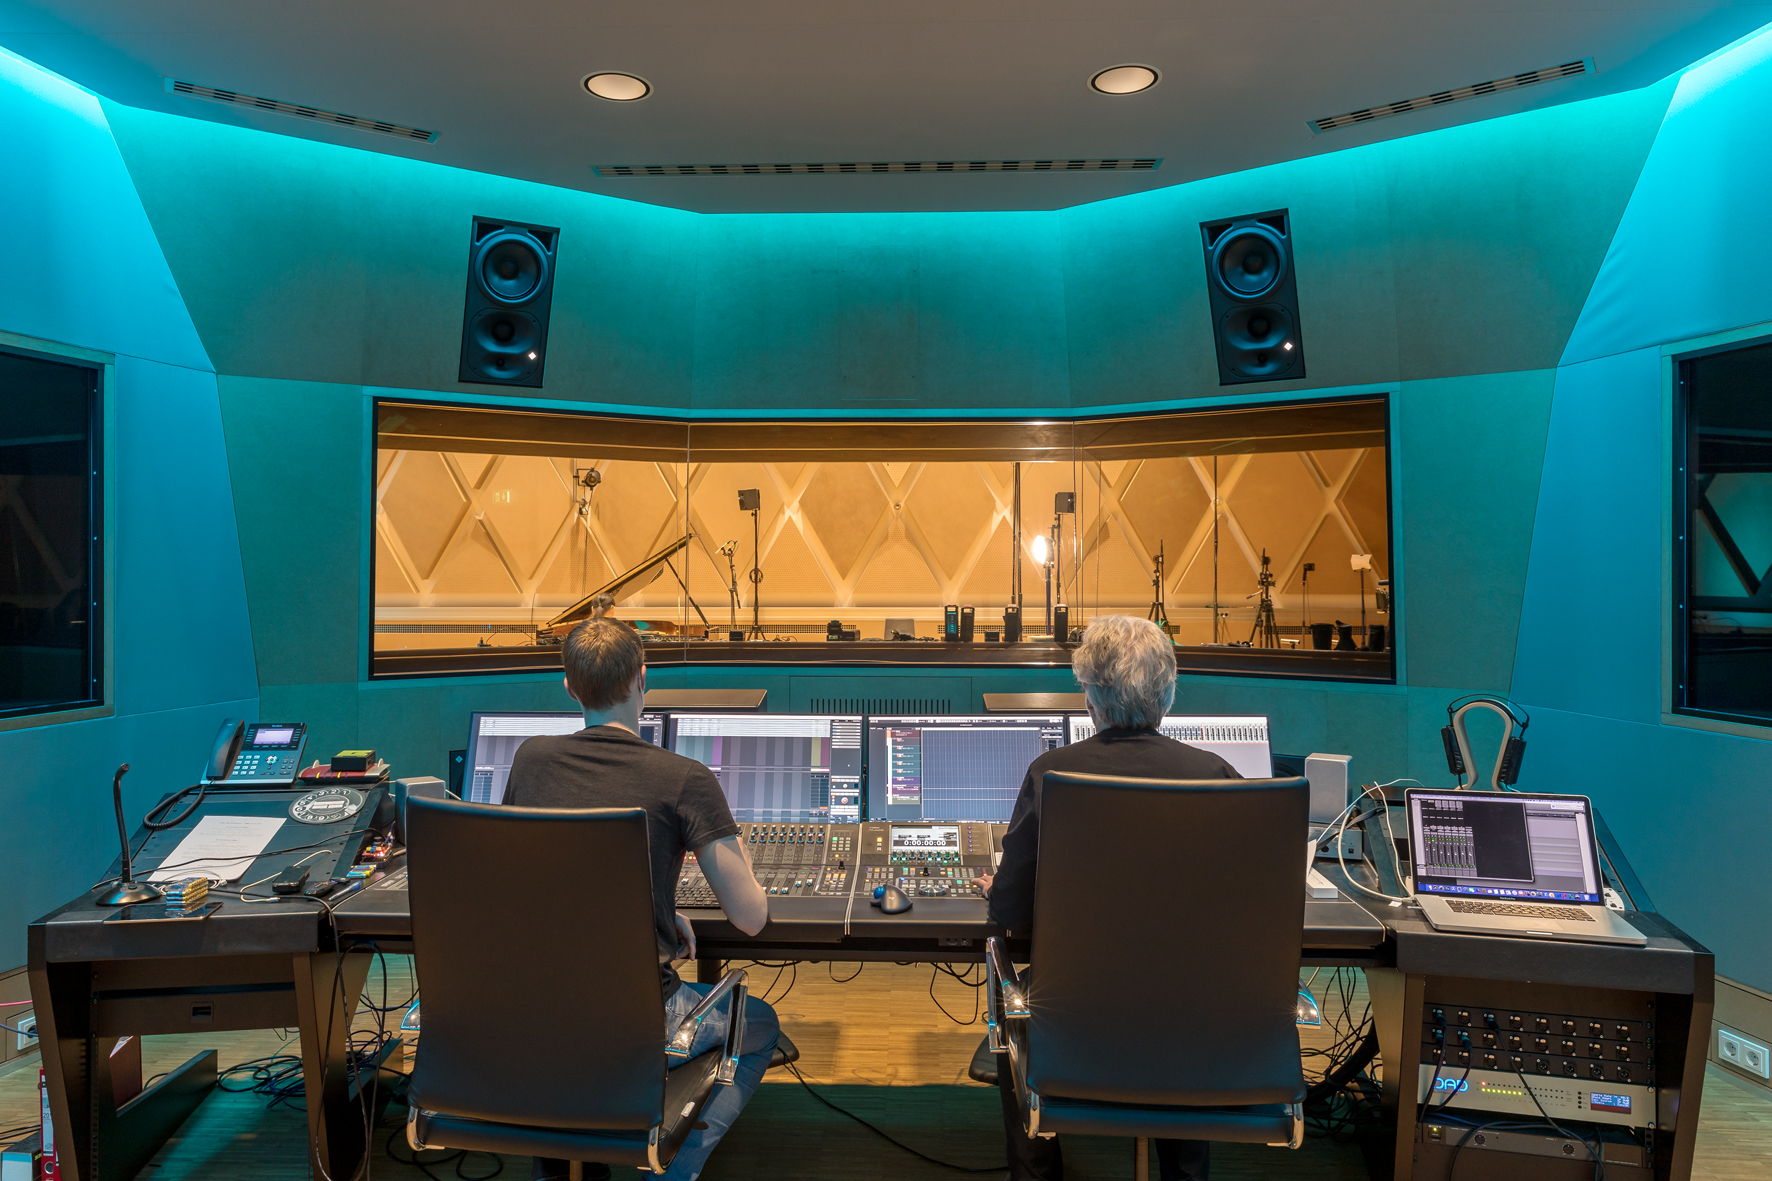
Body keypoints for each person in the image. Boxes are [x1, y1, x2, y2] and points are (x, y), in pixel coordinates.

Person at [505, 618, 777, 1181]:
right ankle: (675, 1163)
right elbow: (751, 918)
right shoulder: (682, 778)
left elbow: (535, 883)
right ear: (643, 678)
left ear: (569, 686)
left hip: (530, 1018)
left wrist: (648, 905)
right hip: (640, 1020)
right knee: (761, 1023)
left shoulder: (529, 761)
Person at [976, 615, 1239, 1181]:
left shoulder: (1051, 772)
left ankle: (1038, 1170)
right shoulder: (1216, 774)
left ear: (1090, 698)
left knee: (1008, 1006)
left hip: (1072, 1020)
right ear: (1167, 694)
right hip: (1191, 1024)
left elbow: (1008, 914)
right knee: (1185, 1009)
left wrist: (1002, 887)